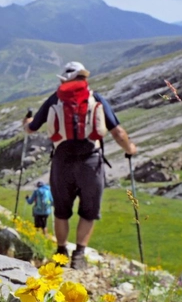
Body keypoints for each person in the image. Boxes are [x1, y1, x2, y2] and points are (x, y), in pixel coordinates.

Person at [23, 62, 137, 269]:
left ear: (64, 80)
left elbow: (31, 128)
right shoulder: (96, 98)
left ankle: (61, 253)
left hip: (62, 162)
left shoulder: (54, 99)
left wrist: (27, 121)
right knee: (88, 211)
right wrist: (130, 149)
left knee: (61, 211)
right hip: (90, 162)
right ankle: (79, 256)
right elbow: (118, 132)